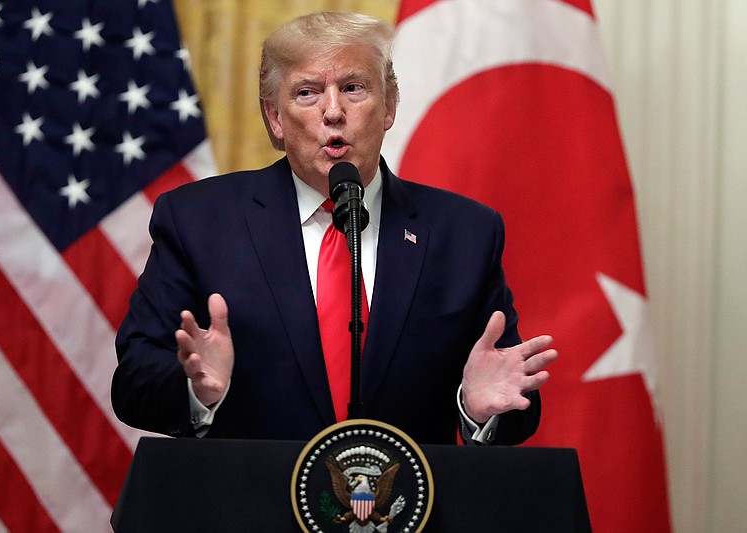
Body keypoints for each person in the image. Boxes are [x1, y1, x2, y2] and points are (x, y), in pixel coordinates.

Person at [112, 11, 557, 445]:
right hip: (248, 507)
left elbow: (506, 385)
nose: (333, 111)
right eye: (307, 92)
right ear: (274, 117)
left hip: (403, 508)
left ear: (389, 107)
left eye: (353, 88)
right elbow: (133, 382)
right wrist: (195, 391)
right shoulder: (198, 220)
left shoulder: (465, 233)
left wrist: (477, 408)